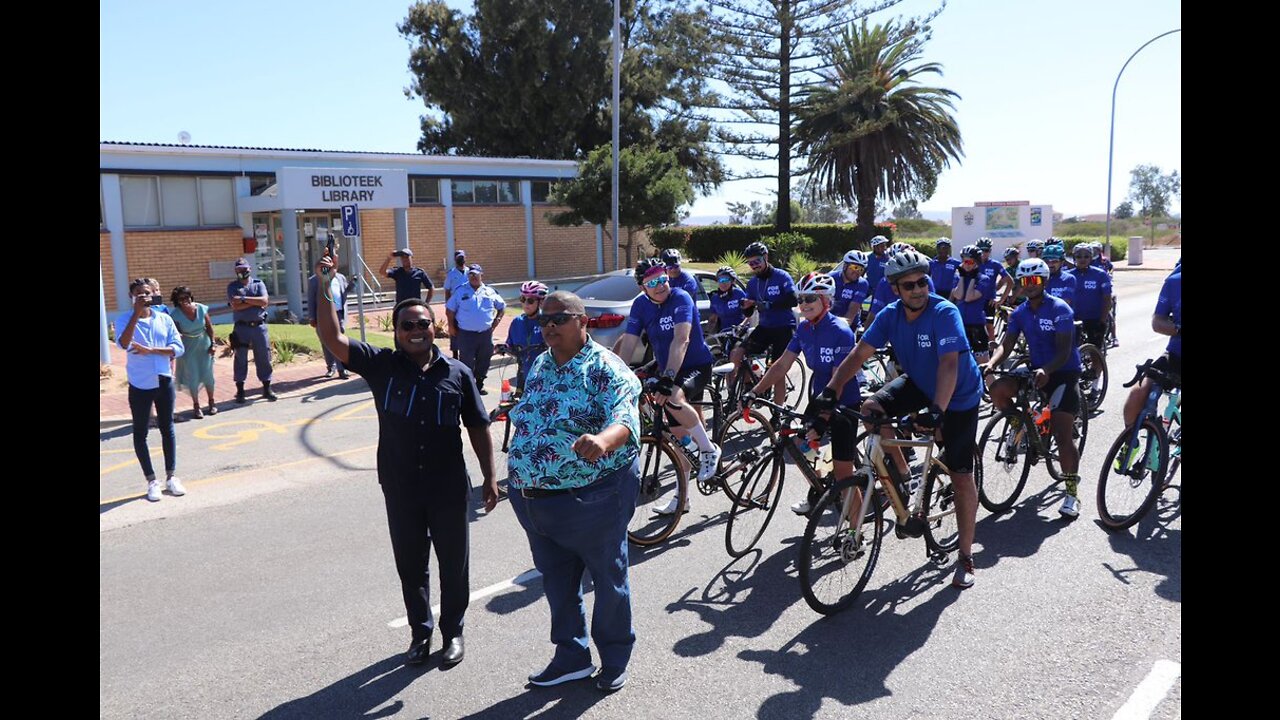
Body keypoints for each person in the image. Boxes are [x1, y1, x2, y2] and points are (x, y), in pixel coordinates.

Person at [312, 254, 498, 668]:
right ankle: (420, 635)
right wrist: (326, 288)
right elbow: (332, 337)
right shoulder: (382, 366)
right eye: (407, 325)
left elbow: (479, 426)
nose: (415, 330)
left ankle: (453, 634)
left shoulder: (458, 373)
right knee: (411, 568)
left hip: (448, 487)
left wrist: (489, 477)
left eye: (422, 324)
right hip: (400, 486)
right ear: (396, 332)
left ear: (436, 328)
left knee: (454, 566)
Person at [816, 249, 983, 589]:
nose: (919, 289)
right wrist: (831, 390)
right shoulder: (890, 315)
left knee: (962, 476)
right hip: (921, 382)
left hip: (959, 394)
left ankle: (966, 556)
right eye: (909, 285)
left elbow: (950, 364)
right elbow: (859, 354)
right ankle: (903, 475)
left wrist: (936, 410)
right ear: (895, 289)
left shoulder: (944, 311)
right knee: (870, 409)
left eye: (923, 281)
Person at [506, 290, 641, 693]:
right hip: (536, 502)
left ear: (583, 323)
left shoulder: (606, 368)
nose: (549, 327)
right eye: (544, 320)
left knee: (607, 579)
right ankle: (572, 656)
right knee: (558, 583)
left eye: (559, 319)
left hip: (591, 498)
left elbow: (626, 419)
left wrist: (603, 440)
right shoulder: (542, 364)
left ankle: (614, 657)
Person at [745, 272, 860, 515]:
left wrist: (823, 419)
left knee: (844, 474)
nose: (804, 304)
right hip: (819, 398)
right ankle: (819, 488)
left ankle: (854, 534)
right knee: (801, 447)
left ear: (826, 301)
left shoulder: (841, 330)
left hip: (843, 403)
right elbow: (782, 364)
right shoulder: (804, 329)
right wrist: (754, 392)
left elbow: (838, 380)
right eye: (800, 299)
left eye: (810, 298)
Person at [613, 258, 721, 504]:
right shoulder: (640, 305)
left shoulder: (681, 297)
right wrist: (616, 373)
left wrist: (668, 378)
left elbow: (681, 339)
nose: (660, 285)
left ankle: (709, 449)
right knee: (677, 434)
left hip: (694, 365)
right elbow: (629, 341)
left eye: (663, 279)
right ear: (643, 287)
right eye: (653, 282)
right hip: (667, 368)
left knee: (672, 397)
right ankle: (681, 498)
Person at [985, 258, 1084, 518]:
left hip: (1063, 372)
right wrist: (992, 363)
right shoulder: (1019, 313)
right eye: (1025, 281)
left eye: (1035, 280)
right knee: (998, 389)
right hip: (1037, 369)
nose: (1029, 286)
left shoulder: (1060, 309)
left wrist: (1047, 370)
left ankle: (1072, 492)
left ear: (1044, 281)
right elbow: (1007, 343)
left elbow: (1064, 352)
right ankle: (1021, 424)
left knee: (1063, 436)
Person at [117, 278, 186, 502]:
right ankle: (151, 480)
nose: (144, 297)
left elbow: (178, 347)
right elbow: (124, 343)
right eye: (139, 293)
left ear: (154, 295)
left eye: (147, 293)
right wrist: (136, 314)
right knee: (141, 432)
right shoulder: (124, 319)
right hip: (140, 384)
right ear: (132, 297)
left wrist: (152, 350)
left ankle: (171, 477)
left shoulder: (164, 319)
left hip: (164, 380)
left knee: (168, 428)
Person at [732, 241, 797, 407]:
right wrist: (745, 306)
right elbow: (749, 312)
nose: (754, 266)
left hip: (784, 327)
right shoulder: (753, 283)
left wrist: (768, 305)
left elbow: (793, 299)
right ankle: (749, 386)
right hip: (765, 327)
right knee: (738, 353)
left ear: (766, 257)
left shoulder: (781, 276)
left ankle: (777, 413)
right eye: (751, 263)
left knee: (777, 372)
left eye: (757, 261)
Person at [1120, 263, 1180, 430]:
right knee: (1137, 394)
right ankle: (1129, 444)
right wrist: (1176, 329)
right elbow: (1158, 321)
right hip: (1176, 354)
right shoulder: (1174, 282)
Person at [446, 263, 506, 394]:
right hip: (466, 334)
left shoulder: (490, 292)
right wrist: (451, 326)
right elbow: (450, 309)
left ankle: (479, 384)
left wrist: (497, 321)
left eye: (476, 274)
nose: (473, 277)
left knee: (484, 360)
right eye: (471, 274)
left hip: (485, 334)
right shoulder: (460, 291)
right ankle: (467, 386)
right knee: (466, 361)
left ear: (481, 275)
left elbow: (502, 307)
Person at [226, 257, 275, 403]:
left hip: (259, 326)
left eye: (245, 269)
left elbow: (264, 302)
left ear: (250, 269)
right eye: (240, 269)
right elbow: (235, 305)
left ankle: (267, 387)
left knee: (264, 357)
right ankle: (240, 390)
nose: (243, 272)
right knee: (240, 358)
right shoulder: (232, 286)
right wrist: (254, 302)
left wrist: (243, 299)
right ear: (236, 271)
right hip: (242, 327)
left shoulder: (258, 284)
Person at [170, 286, 217, 419]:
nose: (185, 300)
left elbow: (209, 327)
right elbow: (176, 333)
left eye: (187, 297)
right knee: (193, 377)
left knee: (208, 375)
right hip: (188, 347)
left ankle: (212, 403)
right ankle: (196, 406)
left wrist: (213, 344)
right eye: (181, 299)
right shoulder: (175, 315)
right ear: (176, 301)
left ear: (191, 296)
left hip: (204, 345)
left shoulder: (201, 308)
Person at [309, 251, 351, 379]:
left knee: (340, 341)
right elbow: (311, 298)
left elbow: (344, 294)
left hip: (338, 313)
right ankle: (330, 367)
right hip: (323, 315)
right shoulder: (315, 279)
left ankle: (342, 368)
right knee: (326, 341)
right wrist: (312, 317)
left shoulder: (340, 277)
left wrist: (352, 285)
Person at [951, 245, 995, 364]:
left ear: (976, 262)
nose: (966, 264)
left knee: (983, 364)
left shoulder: (984, 279)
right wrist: (962, 276)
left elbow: (969, 297)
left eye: (970, 261)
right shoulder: (959, 277)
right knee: (959, 363)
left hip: (977, 326)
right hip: (961, 324)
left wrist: (973, 278)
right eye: (964, 261)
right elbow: (959, 296)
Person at [506, 280, 549, 390]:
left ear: (541, 302)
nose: (525, 304)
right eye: (523, 299)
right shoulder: (517, 322)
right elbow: (510, 346)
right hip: (523, 375)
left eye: (530, 301)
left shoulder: (547, 323)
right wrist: (504, 348)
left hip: (545, 375)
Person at [1069, 243, 1113, 348]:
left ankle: (1097, 364)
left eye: (1086, 256)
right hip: (1074, 319)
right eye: (1079, 256)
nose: (1082, 259)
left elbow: (1107, 299)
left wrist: (1102, 321)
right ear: (1074, 258)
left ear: (1091, 258)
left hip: (1095, 319)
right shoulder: (1067, 275)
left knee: (1095, 351)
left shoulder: (1100, 275)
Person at [830, 250, 871, 330]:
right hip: (827, 321)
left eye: (861, 269)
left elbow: (852, 312)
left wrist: (838, 331)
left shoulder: (862, 284)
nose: (858, 272)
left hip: (848, 325)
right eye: (855, 267)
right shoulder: (830, 278)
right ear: (845, 266)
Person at [707, 265, 749, 336]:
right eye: (720, 280)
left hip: (741, 332)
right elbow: (712, 320)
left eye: (726, 280)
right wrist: (707, 334)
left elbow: (749, 315)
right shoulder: (715, 298)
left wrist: (742, 325)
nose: (723, 283)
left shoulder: (739, 294)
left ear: (732, 281)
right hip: (724, 333)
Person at [444, 250, 470, 358]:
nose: (461, 259)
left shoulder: (470, 271)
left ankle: (467, 351)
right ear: (455, 259)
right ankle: (455, 354)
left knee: (467, 328)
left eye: (462, 257)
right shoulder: (451, 273)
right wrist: (448, 305)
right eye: (459, 258)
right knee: (454, 329)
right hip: (455, 306)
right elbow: (447, 290)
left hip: (468, 305)